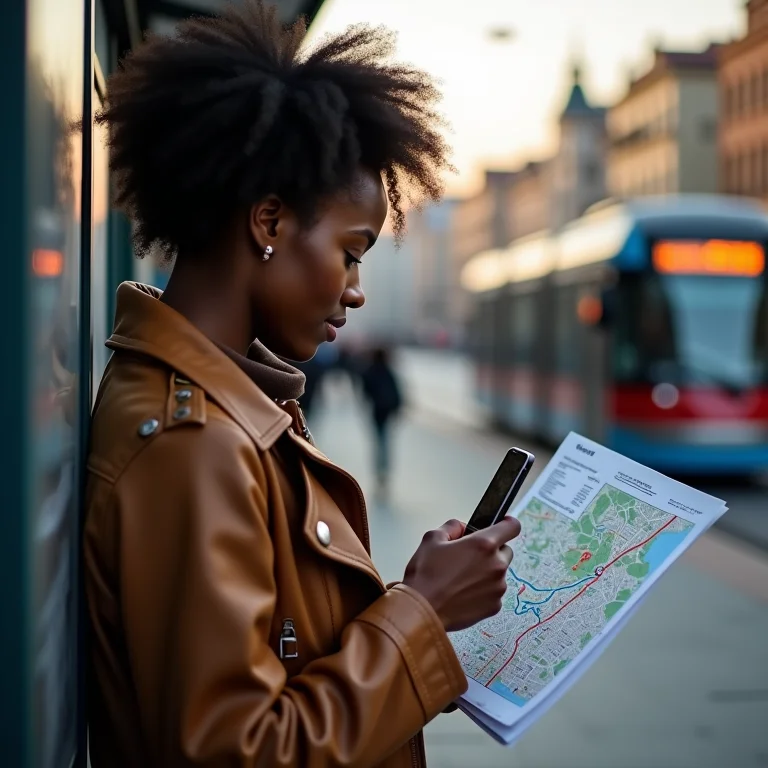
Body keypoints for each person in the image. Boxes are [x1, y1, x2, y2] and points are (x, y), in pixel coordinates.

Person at [84, 3, 522, 766]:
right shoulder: (195, 444)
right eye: (352, 253)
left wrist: (417, 606)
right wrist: (420, 613)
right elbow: (238, 750)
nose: (356, 289)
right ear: (269, 223)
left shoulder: (218, 411)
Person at [360, 346, 403, 497]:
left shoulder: (369, 371)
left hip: (376, 413)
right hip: (387, 413)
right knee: (384, 443)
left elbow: (365, 391)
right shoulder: (389, 372)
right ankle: (384, 471)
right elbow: (398, 394)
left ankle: (380, 471)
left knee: (379, 442)